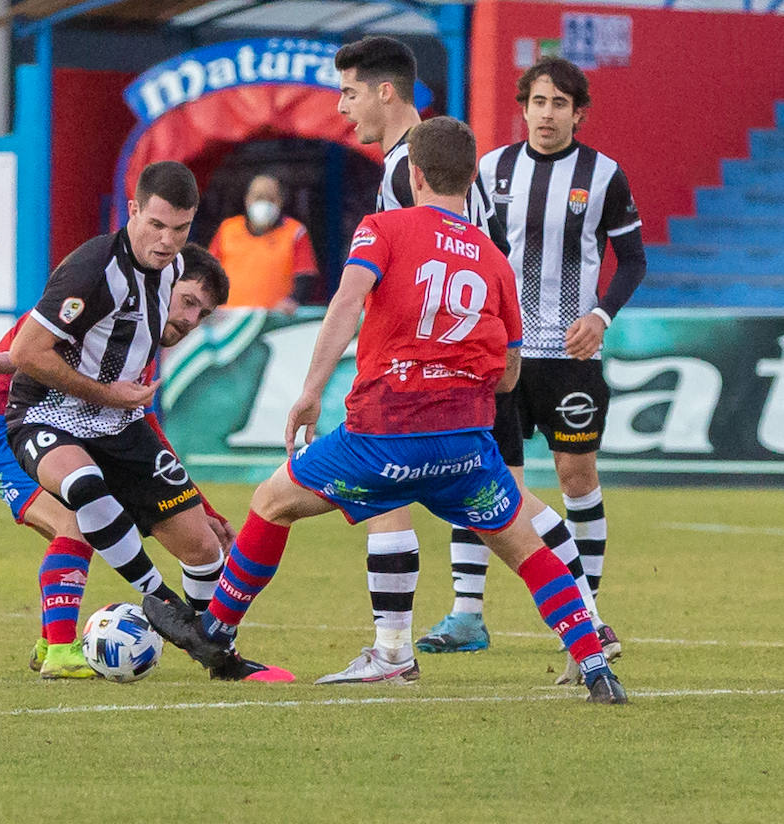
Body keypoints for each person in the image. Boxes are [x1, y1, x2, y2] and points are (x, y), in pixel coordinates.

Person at [142, 117, 627, 704]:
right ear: (472, 176)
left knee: (271, 502)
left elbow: (347, 301)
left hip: (384, 434)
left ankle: (215, 631)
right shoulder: (496, 260)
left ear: (414, 173)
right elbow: (510, 374)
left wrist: (311, 390)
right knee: (525, 548)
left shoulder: (383, 229)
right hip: (466, 445)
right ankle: (595, 662)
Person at [324, 36, 595, 684]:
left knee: (485, 501)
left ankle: (393, 648)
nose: (342, 108)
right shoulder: (440, 160)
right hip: (480, 354)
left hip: (445, 369)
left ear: (386, 92)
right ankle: (580, 621)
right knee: (507, 502)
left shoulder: (407, 171)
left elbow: (408, 273)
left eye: (350, 92)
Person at [4, 160, 293, 683]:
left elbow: (132, 334)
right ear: (133, 210)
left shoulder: (176, 272)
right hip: (47, 414)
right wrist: (105, 391)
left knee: (204, 545)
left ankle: (213, 651)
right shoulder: (92, 268)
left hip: (120, 419)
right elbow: (29, 350)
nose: (166, 240)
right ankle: (163, 604)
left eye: (179, 230)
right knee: (85, 487)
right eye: (156, 225)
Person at [426, 57, 646, 684]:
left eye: (559, 104)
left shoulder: (604, 176)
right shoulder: (490, 171)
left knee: (577, 475)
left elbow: (631, 261)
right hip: (499, 356)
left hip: (571, 356)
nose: (546, 114)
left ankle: (588, 612)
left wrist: (600, 316)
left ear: (578, 113)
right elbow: (465, 251)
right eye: (538, 102)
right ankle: (468, 613)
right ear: (522, 107)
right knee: (484, 477)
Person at [0, 244, 235, 679]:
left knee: (88, 518)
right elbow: (33, 350)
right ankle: (63, 653)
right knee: (76, 523)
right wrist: (9, 360)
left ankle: (53, 641)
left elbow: (142, 421)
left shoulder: (139, 336)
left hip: (62, 430)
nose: (189, 321)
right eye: (187, 302)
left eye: (203, 314)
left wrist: (204, 505)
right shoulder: (100, 301)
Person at [209, 173, 319, 315]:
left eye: (271, 198)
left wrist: (293, 301)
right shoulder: (227, 229)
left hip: (274, 323)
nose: (265, 203)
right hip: (230, 323)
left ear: (280, 201)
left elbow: (305, 276)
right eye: (259, 197)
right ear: (247, 200)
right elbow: (208, 273)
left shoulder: (295, 232)